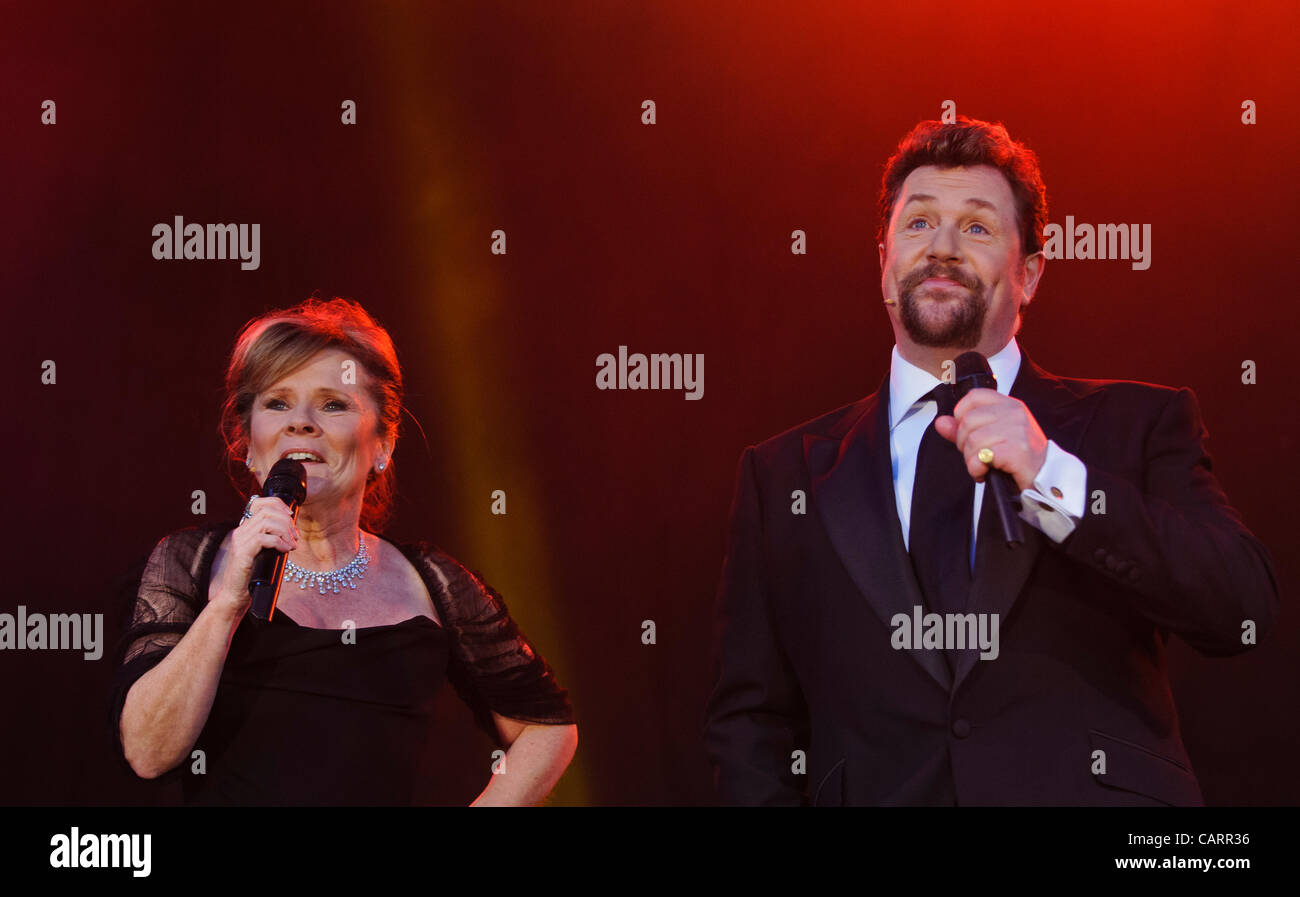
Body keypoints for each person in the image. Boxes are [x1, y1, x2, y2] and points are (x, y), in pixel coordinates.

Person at [703, 116, 1279, 806]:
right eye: (917, 224)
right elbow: (751, 725)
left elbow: (1239, 605)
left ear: (1030, 273)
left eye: (976, 228)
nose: (941, 247)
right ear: (882, 259)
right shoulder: (782, 477)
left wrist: (1054, 476)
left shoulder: (1134, 425)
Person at [111, 297, 577, 805]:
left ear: (383, 443)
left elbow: (548, 728)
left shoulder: (431, 582)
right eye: (277, 402)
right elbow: (149, 753)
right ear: (245, 440)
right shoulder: (189, 563)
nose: (302, 422)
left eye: (333, 404)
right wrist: (226, 604)